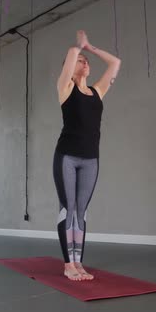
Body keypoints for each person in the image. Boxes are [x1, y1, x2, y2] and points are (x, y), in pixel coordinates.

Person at [54, 30, 121, 281]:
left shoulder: (98, 92)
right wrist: (78, 48)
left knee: (81, 211)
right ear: (70, 69)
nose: (85, 62)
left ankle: (78, 263)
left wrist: (91, 48)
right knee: (67, 209)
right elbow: (72, 53)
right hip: (66, 157)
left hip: (91, 159)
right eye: (80, 61)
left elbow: (115, 63)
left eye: (86, 61)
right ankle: (67, 264)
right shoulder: (65, 88)